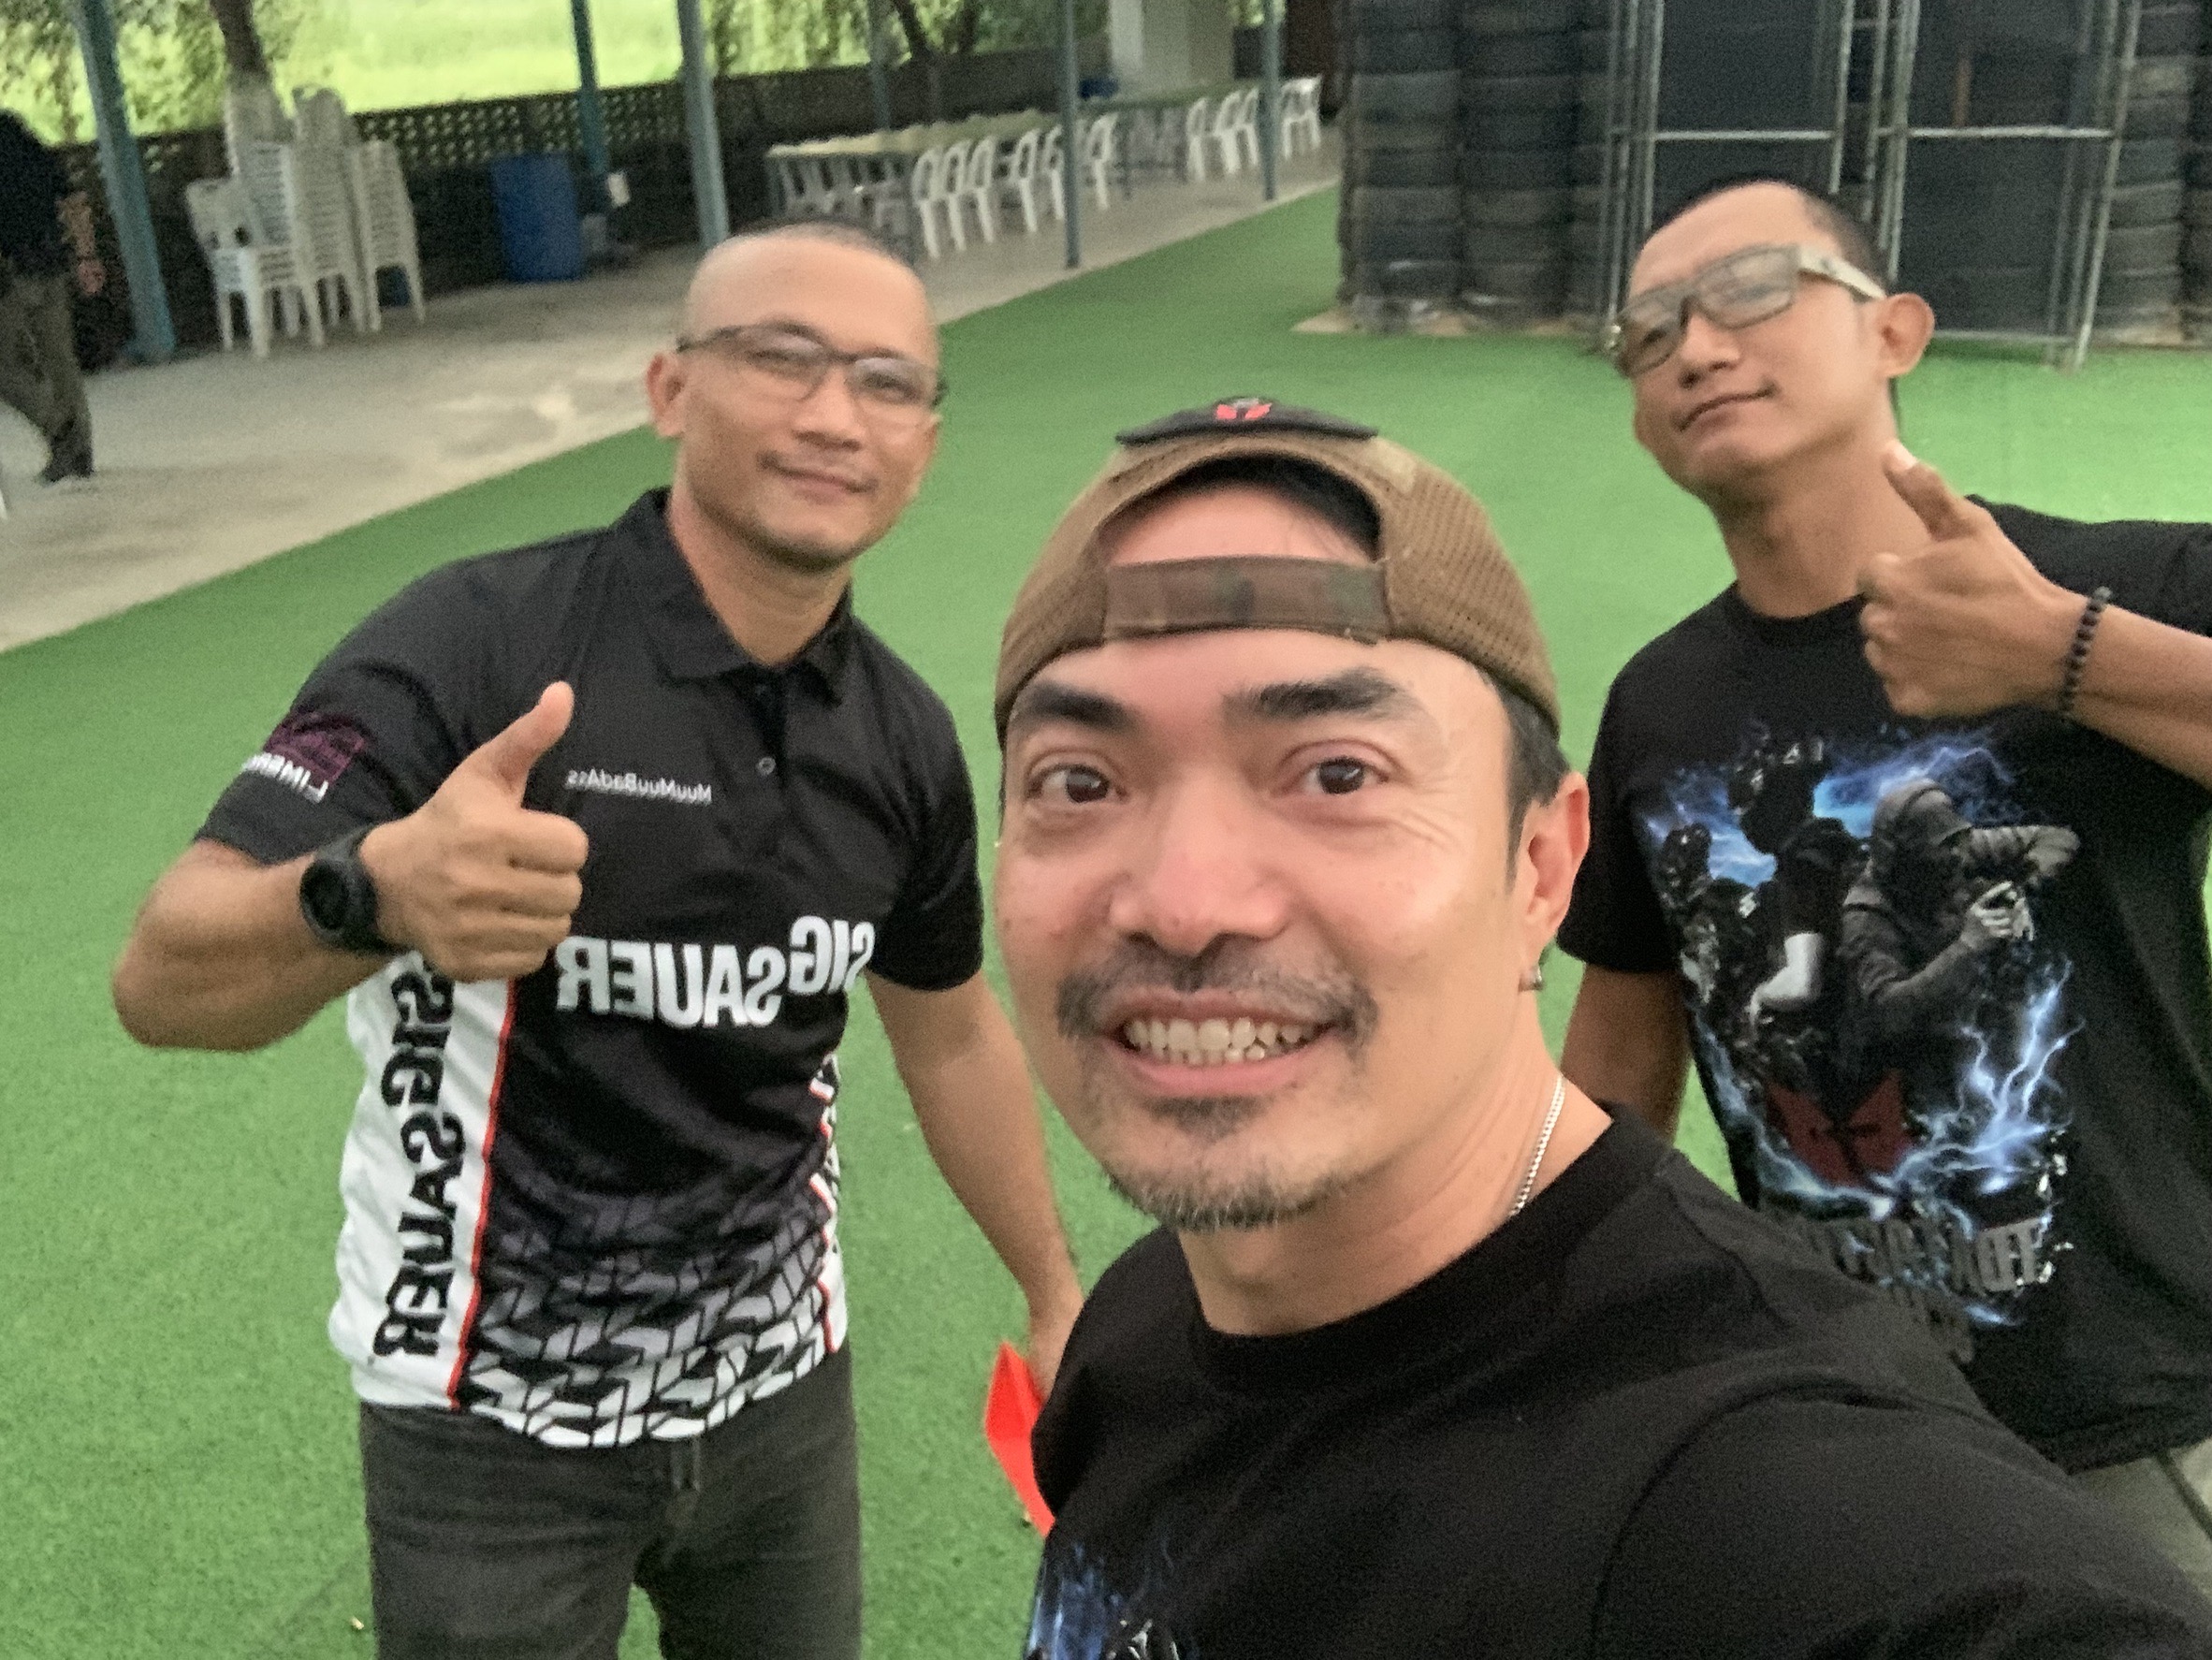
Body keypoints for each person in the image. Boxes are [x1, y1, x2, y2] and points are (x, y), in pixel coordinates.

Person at [986, 397, 2212, 1659]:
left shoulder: (1776, 1502)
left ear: (1540, 865)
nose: (1185, 902)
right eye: (1079, 782)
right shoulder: (1141, 1331)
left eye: (1337, 773)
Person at [110, 219, 1084, 1660]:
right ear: (670, 389)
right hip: (483, 1416)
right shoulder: (475, 639)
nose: (835, 415)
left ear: (924, 444)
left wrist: (1055, 1292)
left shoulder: (901, 736)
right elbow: (161, 976)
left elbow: (949, 1033)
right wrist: (372, 888)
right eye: (784, 358)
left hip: (779, 1392)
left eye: (887, 382)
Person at [1558, 176, 2212, 1590]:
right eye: (1649, 330)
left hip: (2154, 1414)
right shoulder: (1661, 704)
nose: (1696, 345)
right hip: (1849, 1418)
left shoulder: (2109, 588)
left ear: (1896, 331)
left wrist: (2067, 654)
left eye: (1753, 290)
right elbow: (1621, 1058)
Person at [0, 109, 98, 484]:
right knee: (61, 359)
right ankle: (81, 450)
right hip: (52, 263)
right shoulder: (29, 147)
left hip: (11, 274)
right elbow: (73, 200)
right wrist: (86, 255)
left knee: (5, 367)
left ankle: (59, 428)